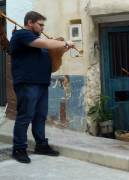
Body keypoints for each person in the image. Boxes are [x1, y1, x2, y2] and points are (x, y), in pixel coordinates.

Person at [9, 11, 74, 163]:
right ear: (30, 23)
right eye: (40, 24)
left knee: (40, 116)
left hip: (42, 83)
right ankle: (19, 148)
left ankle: (41, 145)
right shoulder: (22, 35)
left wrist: (63, 49)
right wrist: (63, 42)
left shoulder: (37, 39)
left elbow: (49, 55)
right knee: (25, 116)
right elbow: (43, 44)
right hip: (27, 83)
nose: (43, 28)